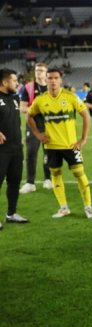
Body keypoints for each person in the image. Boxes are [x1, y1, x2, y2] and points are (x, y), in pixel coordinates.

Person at [26, 68, 92, 219]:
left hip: (71, 145)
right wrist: (37, 134)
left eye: (55, 78)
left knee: (79, 174)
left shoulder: (71, 97)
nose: (52, 80)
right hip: (51, 147)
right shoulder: (40, 100)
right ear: (45, 80)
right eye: (49, 78)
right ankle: (63, 208)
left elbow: (86, 116)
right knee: (55, 175)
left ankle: (88, 206)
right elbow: (29, 116)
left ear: (60, 80)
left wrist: (83, 139)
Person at [0, 69, 29, 228]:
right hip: (1, 150)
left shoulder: (15, 98)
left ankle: (11, 214)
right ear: (4, 82)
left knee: (14, 181)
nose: (17, 83)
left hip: (16, 148)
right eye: (14, 80)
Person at [18, 62, 52, 193]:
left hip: (50, 126)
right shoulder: (28, 88)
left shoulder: (51, 87)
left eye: (41, 70)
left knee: (49, 154)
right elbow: (22, 107)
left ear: (46, 73)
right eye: (37, 70)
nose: (39, 72)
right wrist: (36, 110)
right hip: (33, 126)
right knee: (31, 153)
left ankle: (48, 179)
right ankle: (30, 182)